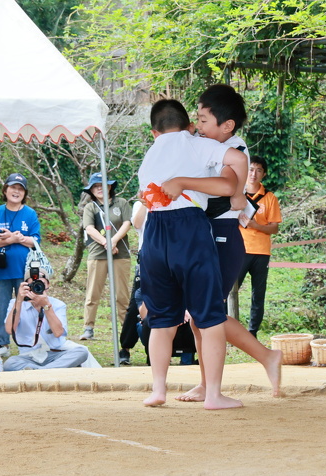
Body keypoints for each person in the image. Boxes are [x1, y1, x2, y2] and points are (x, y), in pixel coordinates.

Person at [173, 86, 283, 402]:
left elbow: (226, 185)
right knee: (199, 315)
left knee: (207, 314)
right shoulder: (207, 145)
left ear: (227, 125)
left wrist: (184, 183)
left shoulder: (234, 149)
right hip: (207, 234)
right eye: (197, 119)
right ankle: (207, 384)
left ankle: (265, 357)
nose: (198, 126)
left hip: (224, 236)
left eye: (203, 120)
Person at [137, 98, 248, 410]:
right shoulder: (196, 143)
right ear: (187, 126)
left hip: (153, 232)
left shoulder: (150, 154)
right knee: (209, 317)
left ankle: (158, 390)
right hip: (190, 229)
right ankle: (213, 395)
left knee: (161, 318)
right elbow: (239, 160)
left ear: (154, 132)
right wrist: (238, 194)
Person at [0, 172, 40, 358]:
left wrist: (19, 238)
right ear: (5, 190)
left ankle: (29, 344)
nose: (16, 191)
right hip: (1, 271)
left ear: (24, 193)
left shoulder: (30, 214)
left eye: (20, 189)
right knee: (2, 308)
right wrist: (10, 240)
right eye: (13, 187)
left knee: (28, 307)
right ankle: (3, 344)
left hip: (25, 270)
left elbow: (35, 241)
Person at [80, 172, 133, 342]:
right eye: (95, 186)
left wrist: (114, 241)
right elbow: (89, 228)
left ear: (109, 186)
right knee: (93, 292)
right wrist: (106, 243)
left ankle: (126, 329)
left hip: (120, 253)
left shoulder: (121, 203)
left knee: (122, 294)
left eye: (102, 185)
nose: (99, 188)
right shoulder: (91, 207)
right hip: (97, 253)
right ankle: (88, 327)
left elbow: (127, 223)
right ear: (91, 190)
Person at [2, 271, 89, 370]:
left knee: (81, 352)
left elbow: (58, 332)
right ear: (26, 286)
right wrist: (19, 300)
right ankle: (50, 370)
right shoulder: (15, 303)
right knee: (10, 363)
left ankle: (39, 371)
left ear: (48, 285)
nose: (37, 287)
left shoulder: (58, 304)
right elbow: (9, 330)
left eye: (41, 284)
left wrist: (46, 306)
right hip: (29, 356)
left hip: (55, 353)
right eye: (33, 284)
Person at [237, 155, 282, 337]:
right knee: (230, 291)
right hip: (239, 250)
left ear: (264, 174)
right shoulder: (236, 193)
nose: (253, 174)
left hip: (261, 252)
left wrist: (255, 225)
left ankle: (252, 332)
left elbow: (274, 228)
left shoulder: (270, 198)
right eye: (250, 169)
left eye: (258, 170)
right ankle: (226, 328)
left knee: (258, 294)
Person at [117, 201, 148, 365]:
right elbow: (137, 223)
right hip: (147, 257)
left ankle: (156, 349)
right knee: (136, 305)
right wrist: (146, 201)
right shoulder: (140, 204)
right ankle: (125, 347)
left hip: (171, 255)